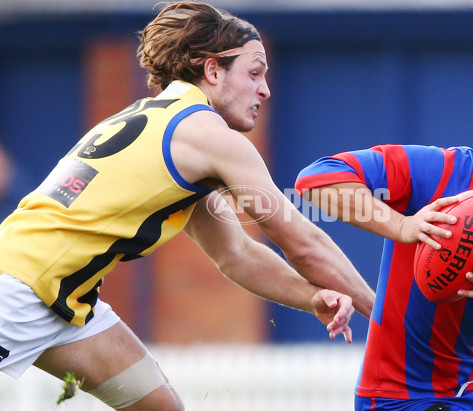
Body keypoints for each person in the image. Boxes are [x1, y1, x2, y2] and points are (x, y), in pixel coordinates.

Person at [0, 2, 375, 410]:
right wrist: (384, 314)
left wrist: (311, 296)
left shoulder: (169, 123)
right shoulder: (210, 135)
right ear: (213, 71)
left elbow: (237, 255)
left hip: (61, 298)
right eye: (253, 73)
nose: (265, 89)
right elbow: (304, 242)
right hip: (18, 292)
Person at [295, 64, 473, 410]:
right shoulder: (435, 171)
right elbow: (315, 180)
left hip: (463, 396)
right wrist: (402, 226)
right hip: (390, 397)